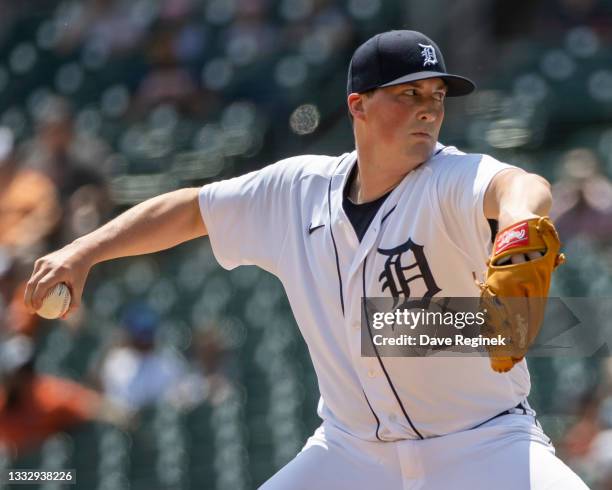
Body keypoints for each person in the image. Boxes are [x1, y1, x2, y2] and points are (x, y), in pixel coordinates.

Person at [24, 30, 587, 488]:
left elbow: (522, 187)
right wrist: (83, 250)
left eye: (436, 96)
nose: (428, 110)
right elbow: (191, 211)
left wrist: (519, 235)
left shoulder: (450, 179)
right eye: (408, 94)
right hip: (350, 455)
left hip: (483, 445)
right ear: (358, 106)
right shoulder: (297, 188)